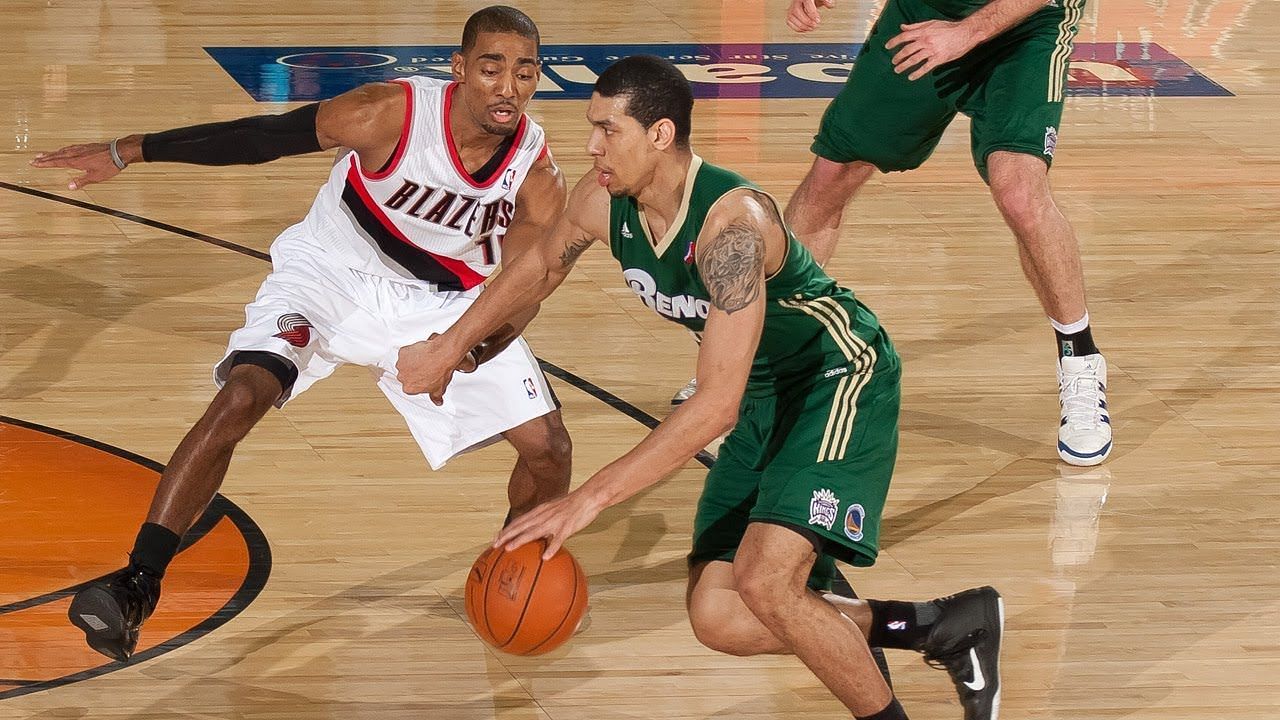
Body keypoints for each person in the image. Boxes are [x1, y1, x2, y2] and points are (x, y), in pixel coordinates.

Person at [397, 55, 1003, 720]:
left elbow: (715, 403)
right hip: (766, 393)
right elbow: (540, 266)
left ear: (660, 135)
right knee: (718, 613)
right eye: (591, 128)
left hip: (836, 377)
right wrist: (450, 346)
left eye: (609, 130)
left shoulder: (731, 227)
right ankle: (941, 626)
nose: (593, 145)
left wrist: (587, 501)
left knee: (766, 584)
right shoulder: (604, 203)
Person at [31, 5, 573, 663]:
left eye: (524, 72)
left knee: (548, 449)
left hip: (440, 305)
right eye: (492, 68)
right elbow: (262, 137)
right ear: (460, 70)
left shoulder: (535, 170)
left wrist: (470, 345)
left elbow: (528, 283)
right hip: (329, 272)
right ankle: (136, 584)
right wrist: (131, 150)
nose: (508, 87)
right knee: (241, 397)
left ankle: (511, 573)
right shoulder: (389, 114)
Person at [780, 0, 1110, 467]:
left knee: (1018, 189)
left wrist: (967, 33)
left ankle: (1080, 361)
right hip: (925, 10)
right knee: (833, 173)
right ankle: (753, 346)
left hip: (1027, 25)